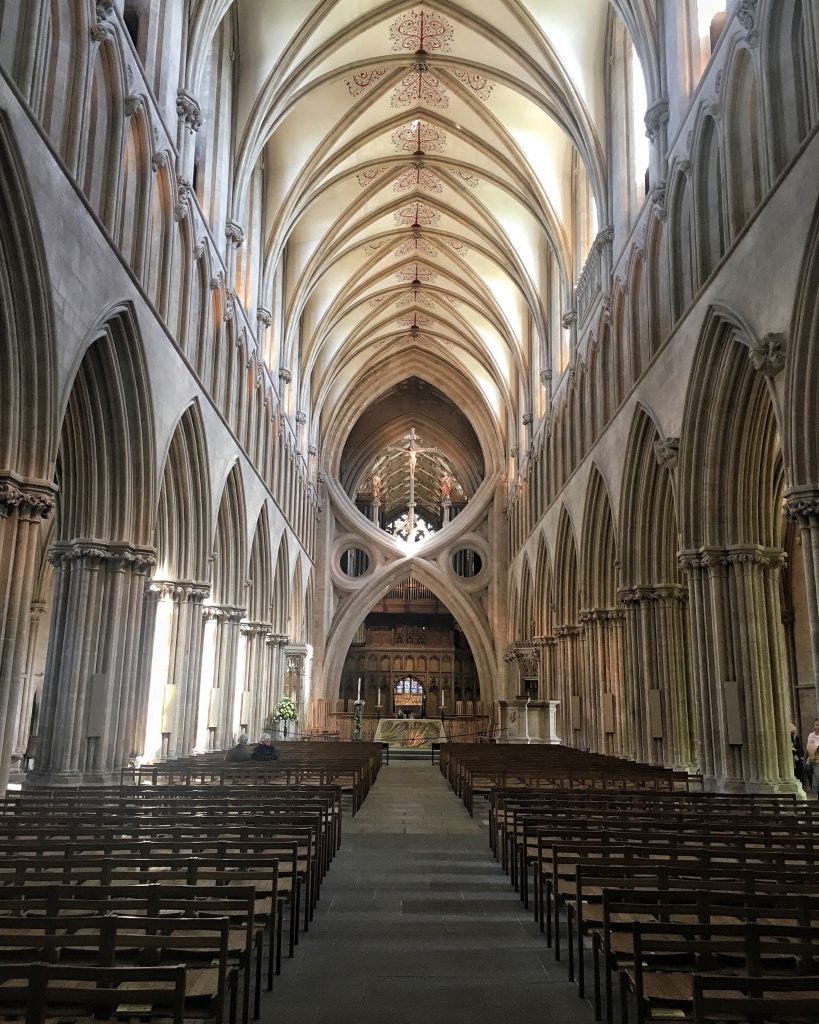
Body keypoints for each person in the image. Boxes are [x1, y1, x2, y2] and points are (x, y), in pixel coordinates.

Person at [805, 718, 819, 789]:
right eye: (817, 725)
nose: (818, 727)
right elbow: (808, 748)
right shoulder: (811, 735)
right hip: (814, 761)